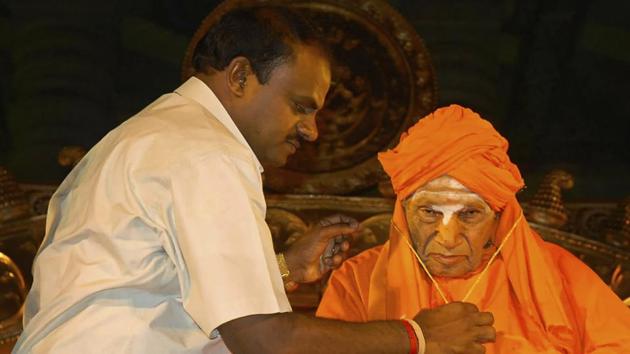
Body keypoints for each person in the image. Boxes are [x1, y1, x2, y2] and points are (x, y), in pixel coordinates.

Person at [13, 7, 495, 354]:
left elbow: (154, 285)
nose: (312, 130)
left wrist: (281, 268)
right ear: (240, 76)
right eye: (301, 105)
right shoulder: (207, 151)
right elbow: (265, 341)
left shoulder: (157, 134)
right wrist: (420, 336)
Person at [317, 104, 630, 353]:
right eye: (428, 212)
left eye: (469, 214)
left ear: (498, 216)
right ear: (403, 212)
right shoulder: (357, 280)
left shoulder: (562, 274)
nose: (448, 238)